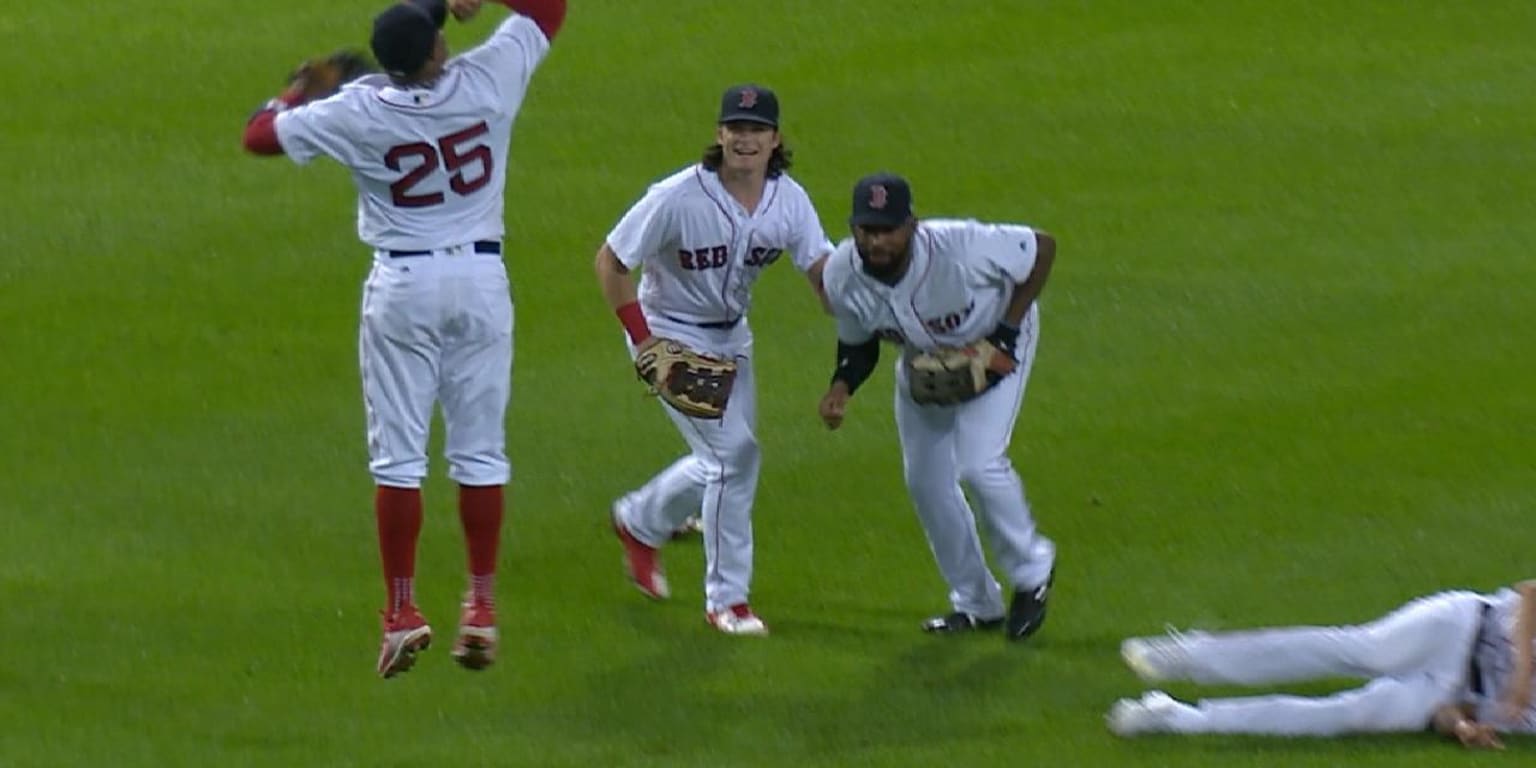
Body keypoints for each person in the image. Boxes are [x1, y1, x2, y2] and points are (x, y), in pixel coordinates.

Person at [240, 0, 567, 678]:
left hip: (403, 287)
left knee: (399, 460)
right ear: (438, 50)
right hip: (480, 282)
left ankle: (401, 613)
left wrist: (295, 91)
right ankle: (479, 606)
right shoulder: (486, 79)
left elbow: (259, 136)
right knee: (480, 453)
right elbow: (547, 8)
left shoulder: (358, 108)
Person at [595, 84, 833, 636]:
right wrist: (644, 341)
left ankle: (639, 520)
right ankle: (727, 601)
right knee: (734, 457)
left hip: (732, 338)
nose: (745, 139)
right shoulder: (678, 196)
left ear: (776, 139)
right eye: (736, 128)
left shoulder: (788, 200)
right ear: (719, 134)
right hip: (668, 336)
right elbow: (611, 262)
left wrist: (864, 304)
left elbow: (822, 270)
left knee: (724, 460)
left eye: (756, 130)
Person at [816, 172, 1058, 642]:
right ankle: (974, 602)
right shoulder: (841, 274)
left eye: (888, 229)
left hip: (997, 347)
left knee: (980, 463)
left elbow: (1042, 248)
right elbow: (858, 344)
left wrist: (1005, 332)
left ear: (912, 225)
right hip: (924, 365)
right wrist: (841, 386)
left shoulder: (962, 248)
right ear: (853, 228)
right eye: (867, 229)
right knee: (926, 480)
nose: (877, 240)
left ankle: (1033, 572)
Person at [1108, 579, 1536, 749]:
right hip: (1462, 624)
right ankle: (1186, 656)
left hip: (1446, 687)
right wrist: (1520, 678)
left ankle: (1176, 717)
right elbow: (1530, 594)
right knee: (1364, 650)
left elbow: (1454, 711)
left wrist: (1462, 728)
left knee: (1349, 714)